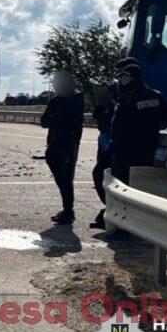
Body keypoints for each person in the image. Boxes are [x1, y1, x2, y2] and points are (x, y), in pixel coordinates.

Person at [110, 64, 167, 185]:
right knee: (143, 184)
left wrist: (113, 148)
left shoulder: (126, 99)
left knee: (123, 185)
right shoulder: (156, 96)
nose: (121, 81)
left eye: (122, 77)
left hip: (127, 152)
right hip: (149, 149)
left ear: (129, 78)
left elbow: (117, 128)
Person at [41, 71, 85, 225]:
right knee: (60, 177)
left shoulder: (76, 99)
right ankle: (67, 208)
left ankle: (68, 211)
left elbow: (66, 118)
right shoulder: (56, 101)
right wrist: (55, 117)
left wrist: (56, 117)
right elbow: (44, 121)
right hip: (54, 144)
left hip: (68, 144)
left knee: (66, 178)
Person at [89, 85, 115, 229]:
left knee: (104, 170)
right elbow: (94, 117)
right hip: (102, 135)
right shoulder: (101, 106)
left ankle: (110, 208)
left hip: (109, 137)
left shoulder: (113, 106)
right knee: (101, 164)